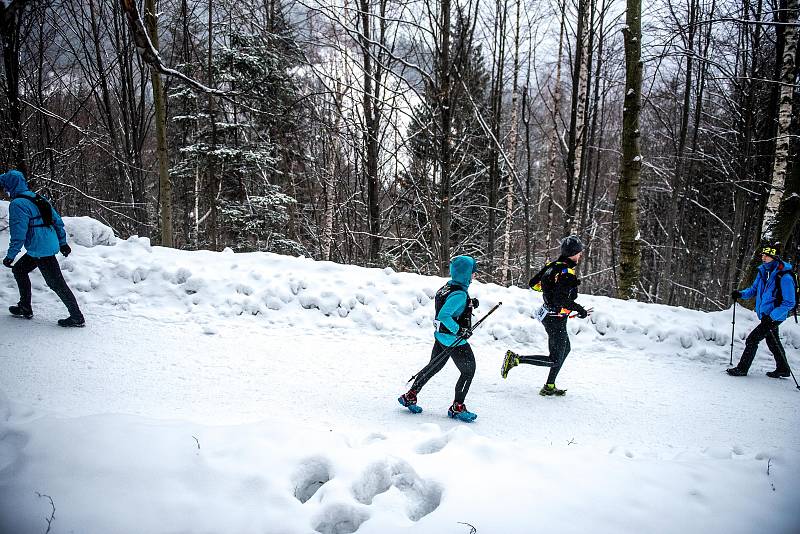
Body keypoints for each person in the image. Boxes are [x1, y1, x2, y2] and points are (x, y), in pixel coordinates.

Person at [501, 235, 591, 396]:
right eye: (579, 252)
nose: (580, 255)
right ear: (573, 253)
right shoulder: (567, 272)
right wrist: (580, 309)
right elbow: (560, 299)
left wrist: (549, 288)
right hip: (555, 318)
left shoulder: (553, 266)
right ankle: (515, 359)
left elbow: (533, 284)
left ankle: (549, 385)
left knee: (565, 349)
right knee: (555, 358)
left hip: (551, 315)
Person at [399, 255, 479, 422]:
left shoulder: (447, 287)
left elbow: (449, 304)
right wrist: (460, 330)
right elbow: (444, 315)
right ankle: (458, 407)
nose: (474, 275)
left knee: (434, 366)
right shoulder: (459, 294)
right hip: (454, 340)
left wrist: (470, 303)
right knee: (468, 370)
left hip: (441, 337)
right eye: (473, 272)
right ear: (465, 274)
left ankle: (410, 395)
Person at [1, 170, 85, 327]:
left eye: (5, 186)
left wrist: (11, 255)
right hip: (44, 244)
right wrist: (62, 242)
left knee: (56, 283)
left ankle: (77, 317)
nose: (4, 190)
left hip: (41, 249)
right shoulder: (36, 197)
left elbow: (18, 233)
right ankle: (25, 307)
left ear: (10, 186)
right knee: (19, 269)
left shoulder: (17, 204)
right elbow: (57, 221)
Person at [727, 244, 794, 378]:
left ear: (774, 258)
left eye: (766, 255)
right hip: (765, 315)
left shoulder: (784, 277)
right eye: (762, 255)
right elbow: (753, 289)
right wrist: (740, 294)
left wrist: (772, 316)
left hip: (774, 316)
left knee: (752, 340)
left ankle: (742, 369)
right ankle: (783, 369)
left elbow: (789, 302)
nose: (763, 257)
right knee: (773, 341)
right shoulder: (763, 272)